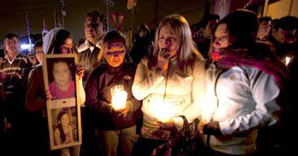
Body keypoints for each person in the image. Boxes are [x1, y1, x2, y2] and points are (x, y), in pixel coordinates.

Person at [200, 10, 286, 156]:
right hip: (206, 144)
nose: (215, 42)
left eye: (223, 37)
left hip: (234, 150)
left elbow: (269, 113)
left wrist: (223, 127)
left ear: (242, 37)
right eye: (215, 37)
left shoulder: (259, 68)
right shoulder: (218, 63)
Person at [131, 14, 205, 156]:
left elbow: (199, 103)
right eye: (161, 38)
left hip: (179, 138)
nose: (166, 43)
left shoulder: (196, 64)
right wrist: (159, 69)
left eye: (172, 38)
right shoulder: (146, 62)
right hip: (149, 135)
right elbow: (138, 93)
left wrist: (176, 122)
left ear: (183, 39)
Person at [25, 28, 85, 156]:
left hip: (73, 124)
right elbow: (29, 104)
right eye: (65, 47)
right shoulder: (37, 72)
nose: (69, 51)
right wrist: (43, 100)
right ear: (53, 47)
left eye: (71, 46)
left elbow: (81, 100)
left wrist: (79, 79)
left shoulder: (73, 69)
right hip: (52, 127)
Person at [86, 30, 141, 156]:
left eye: (120, 51)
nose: (116, 56)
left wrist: (131, 106)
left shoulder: (133, 70)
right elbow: (90, 101)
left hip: (129, 124)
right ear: (104, 53)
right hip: (107, 126)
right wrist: (109, 109)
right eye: (110, 52)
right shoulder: (98, 74)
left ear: (126, 51)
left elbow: (141, 95)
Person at [77, 10, 107, 82]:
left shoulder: (111, 48)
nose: (90, 27)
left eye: (94, 24)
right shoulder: (79, 50)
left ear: (104, 27)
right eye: (87, 24)